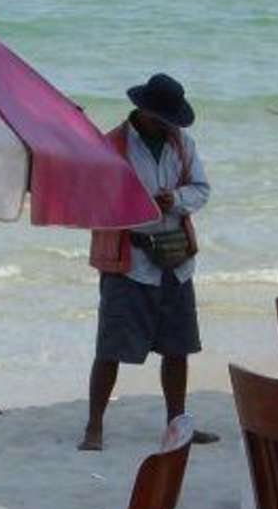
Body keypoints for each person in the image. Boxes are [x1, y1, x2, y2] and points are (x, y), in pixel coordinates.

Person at [80, 73, 219, 451]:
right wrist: (135, 203)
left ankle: (177, 422)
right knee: (110, 347)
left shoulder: (183, 144)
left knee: (178, 348)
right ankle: (94, 426)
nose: (169, 126)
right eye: (163, 119)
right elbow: (95, 198)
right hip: (128, 260)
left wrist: (175, 200)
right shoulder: (112, 145)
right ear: (144, 112)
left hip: (175, 260)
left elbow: (201, 189)